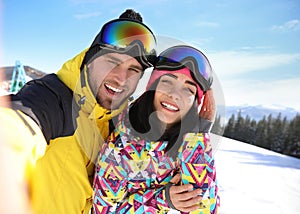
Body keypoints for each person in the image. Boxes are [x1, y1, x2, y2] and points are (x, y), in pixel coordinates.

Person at [0, 9, 158, 214]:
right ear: (90, 59)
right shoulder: (54, 97)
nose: (121, 78)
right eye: (112, 62)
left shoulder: (119, 124)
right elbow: (17, 125)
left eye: (133, 70)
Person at [93, 45, 220, 214]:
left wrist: (199, 137)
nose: (175, 94)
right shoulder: (119, 148)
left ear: (195, 102)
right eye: (167, 81)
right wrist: (164, 199)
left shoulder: (189, 145)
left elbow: (204, 210)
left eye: (188, 89)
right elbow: (104, 211)